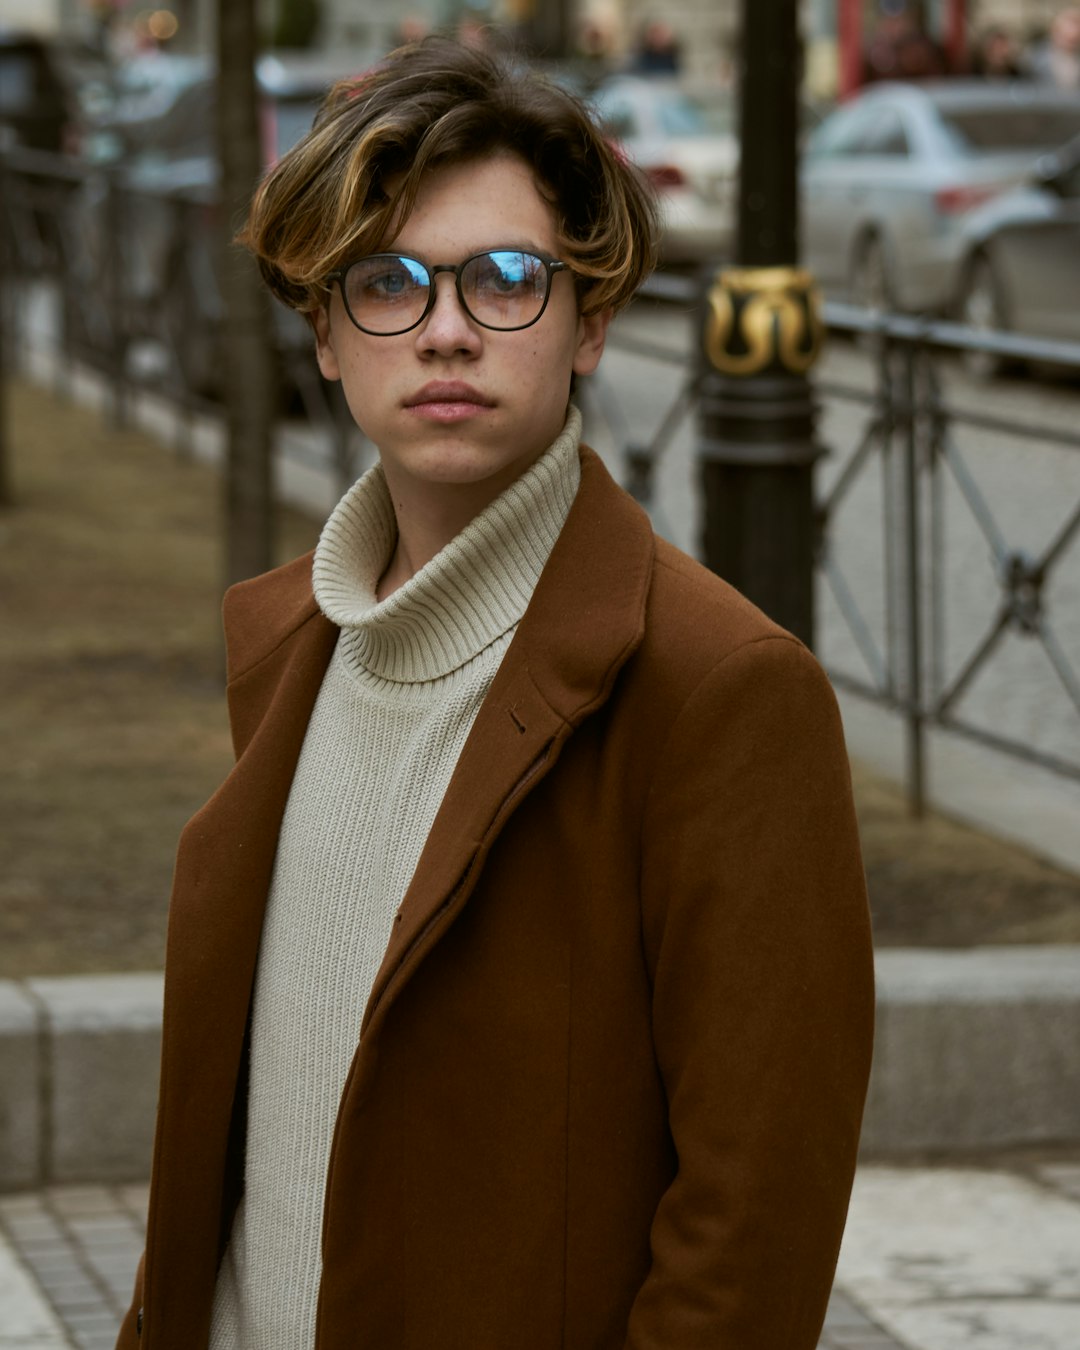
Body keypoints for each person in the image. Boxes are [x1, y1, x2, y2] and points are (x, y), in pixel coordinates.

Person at [115, 36, 874, 1350]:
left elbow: (751, 1234)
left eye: (508, 279)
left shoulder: (724, 691)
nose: (448, 327)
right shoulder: (293, 642)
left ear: (588, 327)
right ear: (328, 335)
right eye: (388, 283)